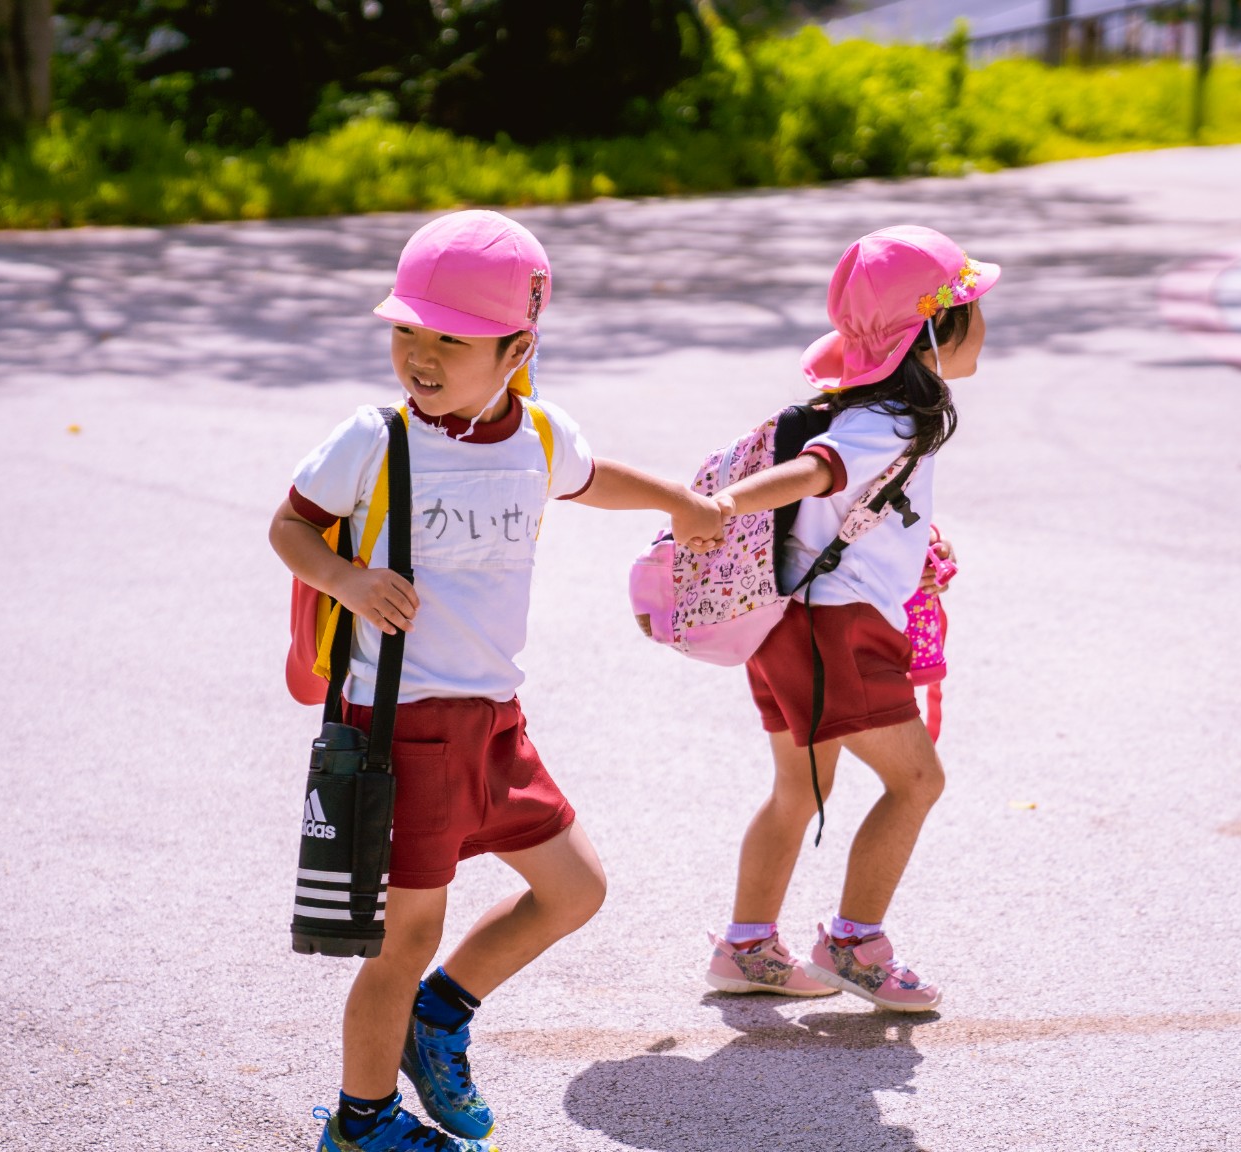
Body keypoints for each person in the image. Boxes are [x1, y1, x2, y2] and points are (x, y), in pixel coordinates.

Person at [270, 210, 722, 1152]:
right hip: (401, 725)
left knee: (574, 889)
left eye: (450, 338)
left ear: (517, 347)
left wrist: (679, 501)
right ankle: (362, 1124)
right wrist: (348, 580)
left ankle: (437, 1022)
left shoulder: (537, 435)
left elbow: (590, 478)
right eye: (407, 330)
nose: (420, 355)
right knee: (403, 940)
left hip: (492, 720)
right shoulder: (375, 436)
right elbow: (290, 530)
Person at [700, 226, 995, 1012]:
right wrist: (723, 505)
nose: (986, 321)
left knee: (799, 790)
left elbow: (843, 497)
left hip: (789, 625)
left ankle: (747, 945)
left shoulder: (881, 408)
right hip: (839, 633)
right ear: (932, 331)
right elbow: (817, 470)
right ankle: (855, 943)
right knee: (918, 780)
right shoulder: (887, 421)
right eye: (970, 305)